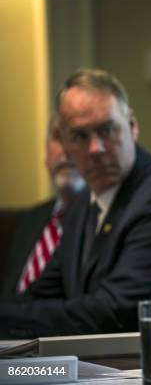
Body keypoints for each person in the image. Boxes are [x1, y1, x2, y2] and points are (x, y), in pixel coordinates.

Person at [0, 69, 151, 346]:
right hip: (103, 360)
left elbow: (112, 312)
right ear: (65, 143)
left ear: (132, 126)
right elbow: (45, 292)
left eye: (107, 130)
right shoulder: (84, 201)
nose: (95, 149)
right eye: (80, 136)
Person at [0, 115, 85, 296]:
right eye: (58, 138)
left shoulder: (107, 219)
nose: (66, 150)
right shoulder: (31, 220)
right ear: (46, 155)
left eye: (77, 138)